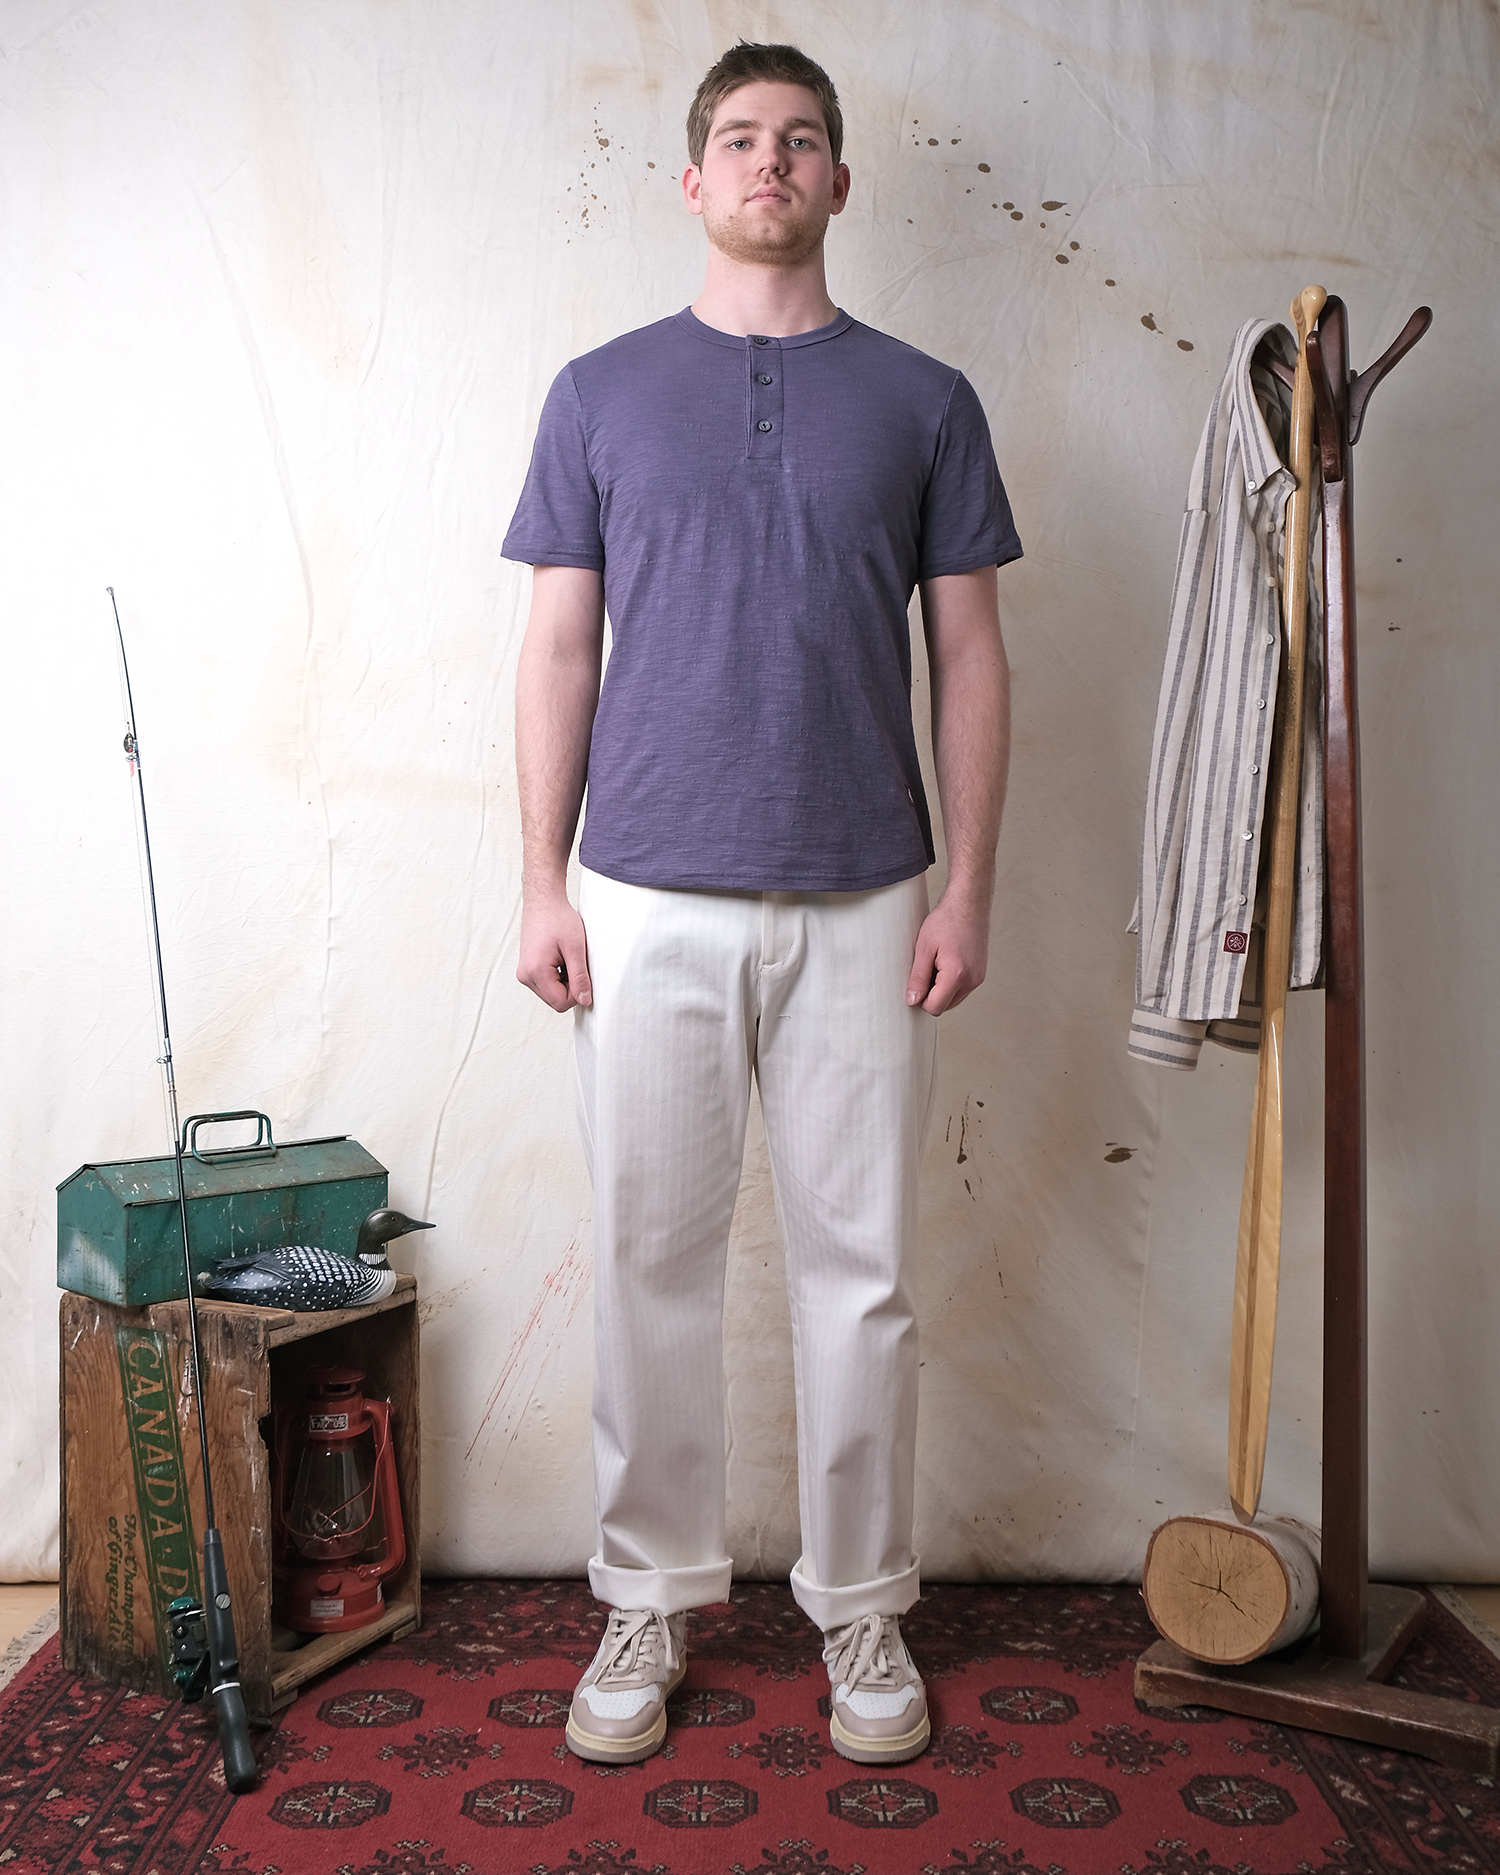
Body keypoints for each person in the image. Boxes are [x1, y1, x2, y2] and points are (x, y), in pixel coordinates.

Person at [505, 40, 1019, 1768]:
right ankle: (648, 1593)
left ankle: (862, 1600)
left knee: (862, 1274)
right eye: (739, 138)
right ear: (693, 179)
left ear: (839, 181)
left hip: (869, 894)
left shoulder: (928, 400)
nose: (770, 161)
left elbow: (969, 654)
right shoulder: (597, 392)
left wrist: (970, 884)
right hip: (641, 894)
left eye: (801, 139)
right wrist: (539, 879)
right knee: (647, 1263)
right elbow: (557, 646)